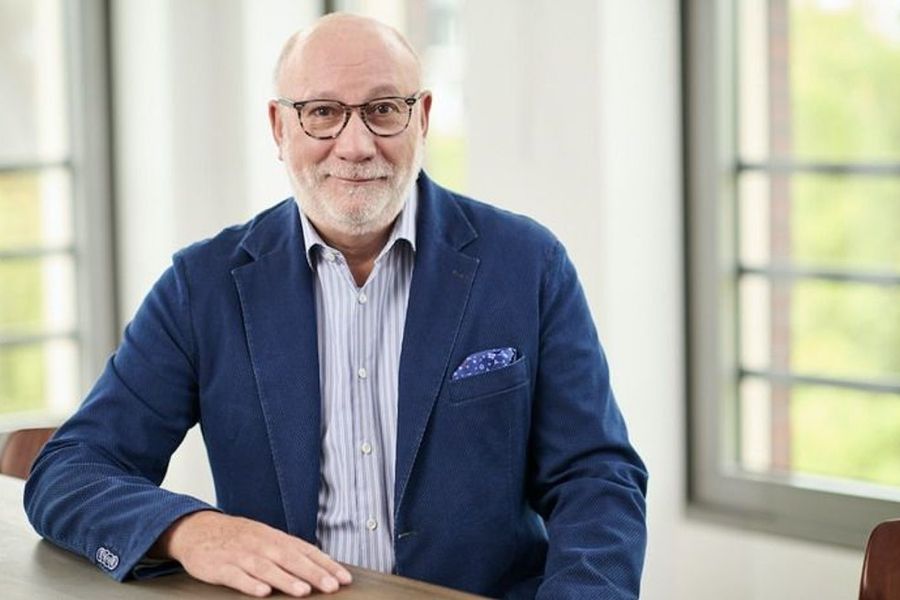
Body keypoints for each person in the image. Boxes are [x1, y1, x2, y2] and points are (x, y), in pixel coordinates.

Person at [24, 12, 648, 600]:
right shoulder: (203, 286)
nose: (355, 145)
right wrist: (189, 530)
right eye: (322, 112)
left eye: (383, 110)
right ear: (279, 128)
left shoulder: (528, 264)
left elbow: (596, 478)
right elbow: (71, 470)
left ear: (423, 118)